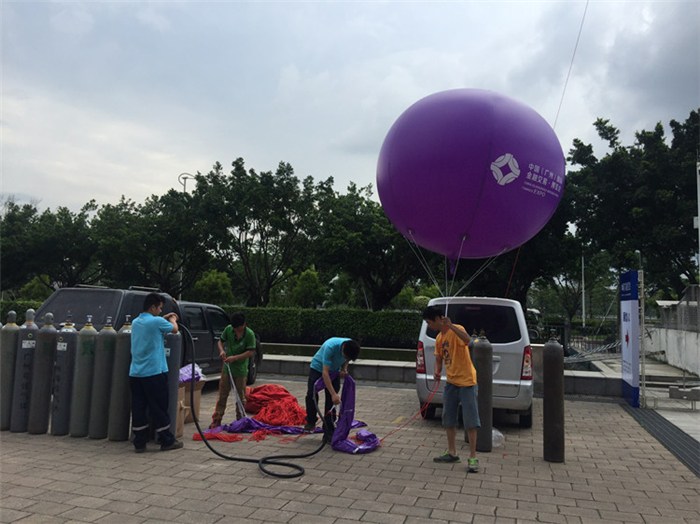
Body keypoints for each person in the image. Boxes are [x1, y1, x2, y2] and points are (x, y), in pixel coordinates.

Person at [422, 305, 480, 473]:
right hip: (451, 382)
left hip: (467, 381)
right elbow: (439, 357)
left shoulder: (457, 329)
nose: (429, 326)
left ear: (438, 319)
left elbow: (468, 340)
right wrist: (437, 370)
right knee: (448, 417)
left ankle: (473, 457)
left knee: (470, 420)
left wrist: (452, 325)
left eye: (429, 322)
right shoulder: (439, 338)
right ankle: (452, 452)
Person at [129, 292, 182, 453]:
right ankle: (166, 440)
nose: (160, 311)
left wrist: (162, 318)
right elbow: (174, 330)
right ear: (152, 307)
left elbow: (154, 323)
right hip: (154, 373)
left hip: (136, 373)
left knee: (139, 407)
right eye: (159, 308)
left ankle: (140, 442)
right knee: (158, 407)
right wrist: (172, 319)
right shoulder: (157, 322)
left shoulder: (136, 322)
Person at [304, 337, 361, 440]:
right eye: (345, 356)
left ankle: (329, 430)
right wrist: (333, 394)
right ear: (343, 349)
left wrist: (344, 368)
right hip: (318, 368)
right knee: (311, 395)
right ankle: (311, 421)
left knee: (331, 402)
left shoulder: (351, 345)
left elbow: (347, 359)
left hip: (334, 370)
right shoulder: (331, 347)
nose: (346, 359)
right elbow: (325, 373)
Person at [210, 312, 256, 429]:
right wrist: (221, 351)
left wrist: (235, 357)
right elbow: (220, 341)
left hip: (240, 370)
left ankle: (240, 420)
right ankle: (217, 419)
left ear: (244, 325)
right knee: (222, 395)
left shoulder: (250, 334)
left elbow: (250, 352)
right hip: (227, 367)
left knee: (240, 396)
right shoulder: (229, 329)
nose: (236, 331)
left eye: (239, 329)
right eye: (235, 329)